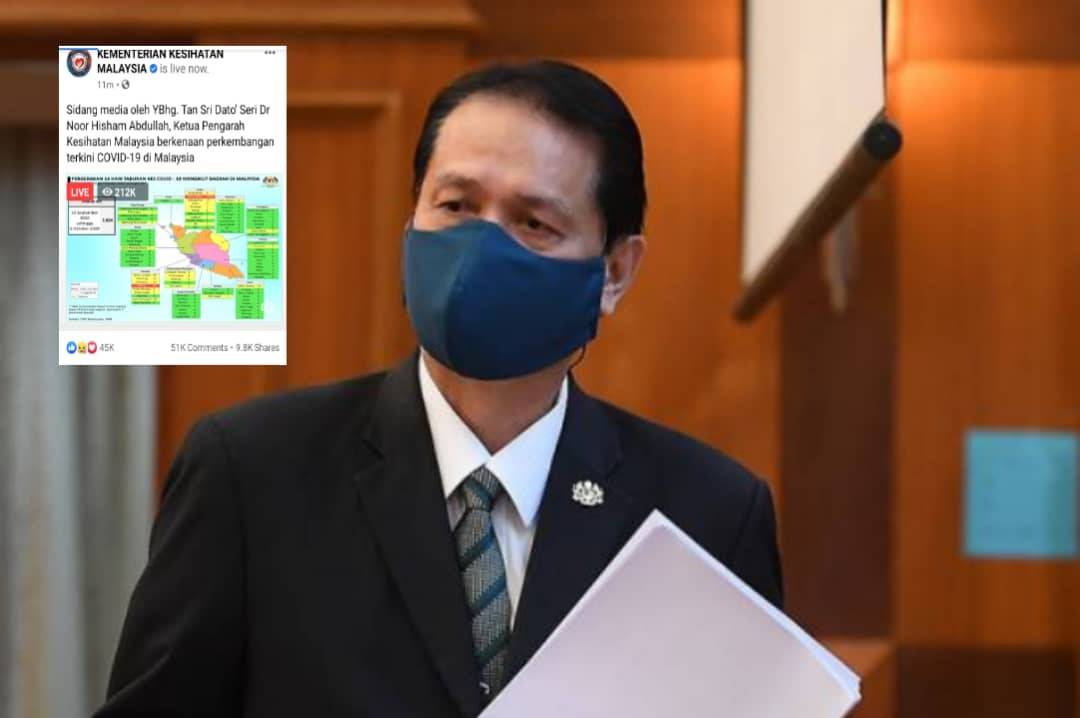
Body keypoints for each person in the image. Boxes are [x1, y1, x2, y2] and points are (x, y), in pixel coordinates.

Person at [95, 59, 782, 718]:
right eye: (456, 206)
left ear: (615, 272)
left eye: (533, 223)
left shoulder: (708, 514)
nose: (481, 250)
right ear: (411, 223)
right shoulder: (253, 472)